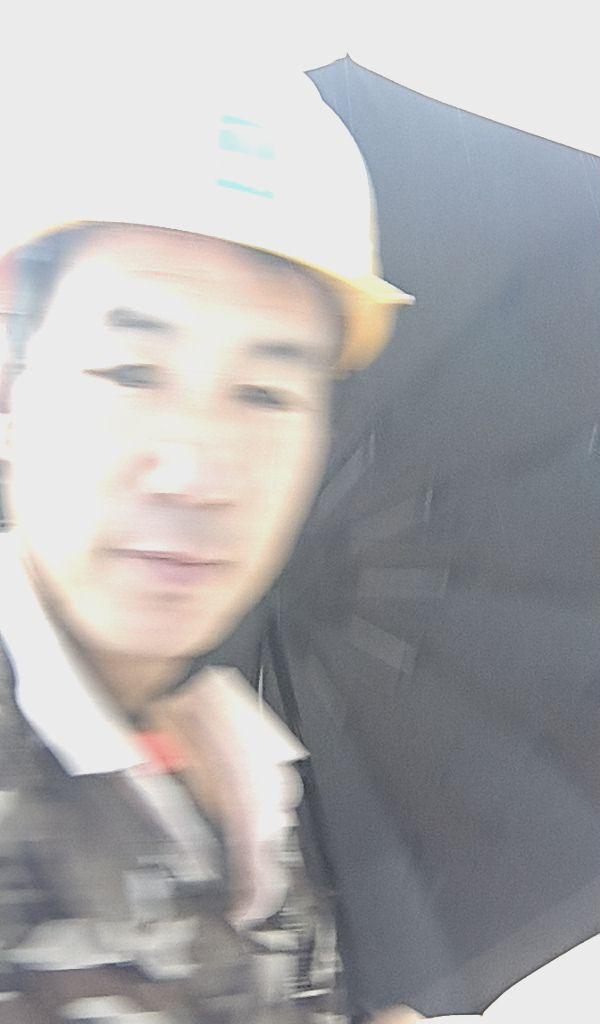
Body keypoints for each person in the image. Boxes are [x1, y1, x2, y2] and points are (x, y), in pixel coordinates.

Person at [0, 64, 413, 1023]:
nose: (196, 474)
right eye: (132, 370)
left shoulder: (245, 775)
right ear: (13, 391)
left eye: (265, 393)